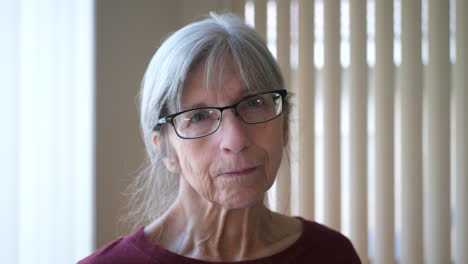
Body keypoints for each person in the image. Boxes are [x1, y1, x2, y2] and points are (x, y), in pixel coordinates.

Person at [78, 13, 361, 264]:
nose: (235, 140)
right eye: (199, 116)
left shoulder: (331, 255)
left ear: (284, 124)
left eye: (253, 103)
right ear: (166, 150)